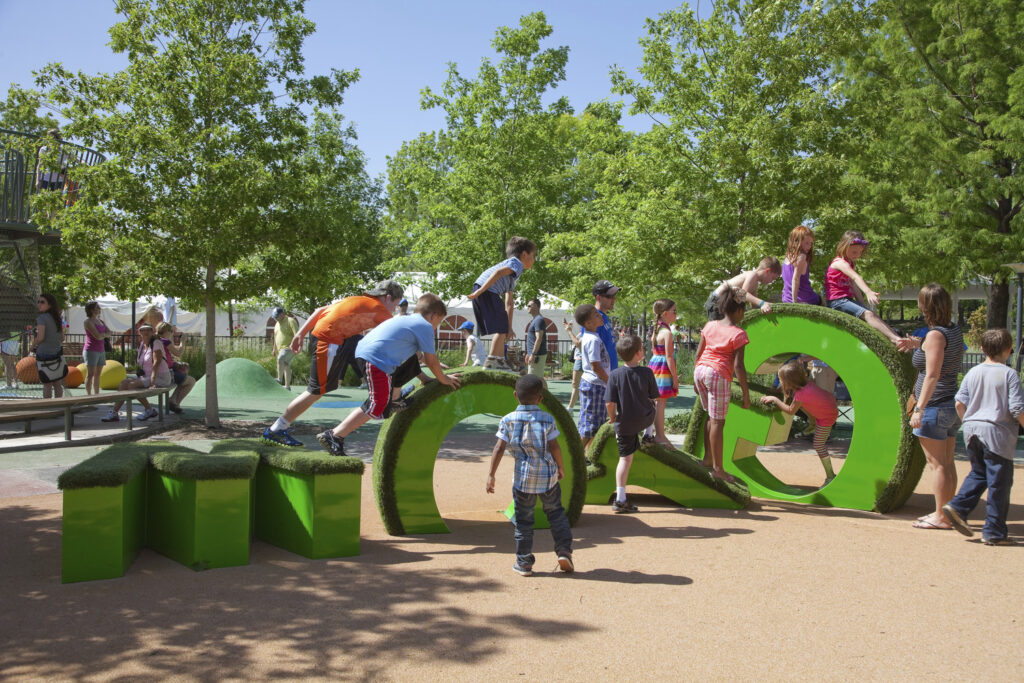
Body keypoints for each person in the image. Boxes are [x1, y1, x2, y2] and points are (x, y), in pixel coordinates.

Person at [262, 280, 404, 447]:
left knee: (325, 386)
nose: (395, 309)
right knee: (315, 391)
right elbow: (400, 336)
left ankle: (393, 393)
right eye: (396, 303)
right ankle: (276, 430)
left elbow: (319, 310)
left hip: (331, 338)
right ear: (388, 298)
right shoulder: (380, 310)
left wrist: (300, 334)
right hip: (328, 340)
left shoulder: (357, 300)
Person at [317, 294, 462, 456]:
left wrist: (427, 378)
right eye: (439, 322)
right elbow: (431, 359)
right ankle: (335, 435)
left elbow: (418, 357)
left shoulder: (407, 320)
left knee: (410, 357)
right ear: (433, 316)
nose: (436, 326)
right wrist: (444, 379)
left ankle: (394, 400)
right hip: (375, 359)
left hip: (368, 353)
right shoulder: (425, 325)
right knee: (377, 405)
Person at [486, 373, 573, 576]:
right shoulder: (547, 419)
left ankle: (524, 563)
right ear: (541, 398)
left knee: (524, 521)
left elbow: (499, 447)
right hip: (548, 477)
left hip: (523, 480)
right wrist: (560, 467)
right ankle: (564, 551)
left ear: (515, 395)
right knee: (556, 514)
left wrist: (491, 474)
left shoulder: (508, 420)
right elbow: (555, 446)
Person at [942, 329, 1024, 545]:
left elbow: (960, 402)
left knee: (979, 473)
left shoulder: (974, 372)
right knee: (1000, 482)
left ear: (984, 349)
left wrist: (967, 420)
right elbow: (1016, 408)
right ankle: (994, 531)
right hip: (997, 433)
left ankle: (958, 506)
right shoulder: (1009, 374)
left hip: (972, 429)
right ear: (1009, 350)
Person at [910, 283, 964, 530]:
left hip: (934, 407)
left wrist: (919, 408)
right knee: (947, 462)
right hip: (949, 406)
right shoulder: (952, 331)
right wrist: (916, 345)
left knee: (937, 464)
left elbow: (932, 375)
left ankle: (940, 516)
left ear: (925, 306)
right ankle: (948, 512)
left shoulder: (935, 336)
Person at [694, 287, 751, 482]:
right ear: (739, 311)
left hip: (700, 371)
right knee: (719, 422)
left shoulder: (710, 325)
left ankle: (707, 460)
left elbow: (699, 353)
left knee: (712, 418)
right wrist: (745, 393)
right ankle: (718, 469)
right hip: (717, 374)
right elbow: (739, 366)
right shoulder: (739, 334)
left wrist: (696, 377)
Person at [825, 231, 917, 351]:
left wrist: (863, 305)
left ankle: (895, 336)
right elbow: (856, 278)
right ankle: (895, 339)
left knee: (870, 314)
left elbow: (854, 286)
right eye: (854, 252)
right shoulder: (840, 263)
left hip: (845, 300)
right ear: (845, 246)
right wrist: (868, 291)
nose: (857, 255)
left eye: (860, 253)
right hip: (837, 301)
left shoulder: (850, 264)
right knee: (868, 314)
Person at [760, 360, 838, 486]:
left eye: (781, 380)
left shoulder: (800, 395)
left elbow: (790, 411)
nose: (780, 382)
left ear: (790, 382)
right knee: (801, 406)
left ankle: (830, 476)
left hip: (826, 418)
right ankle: (812, 424)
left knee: (818, 445)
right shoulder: (808, 384)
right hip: (830, 407)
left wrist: (774, 399)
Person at [606, 334, 659, 513]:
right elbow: (654, 397)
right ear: (638, 354)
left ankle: (621, 499)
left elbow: (609, 403)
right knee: (654, 405)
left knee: (625, 459)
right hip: (645, 419)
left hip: (625, 424)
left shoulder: (615, 375)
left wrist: (613, 418)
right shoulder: (647, 372)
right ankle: (649, 434)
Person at [467, 236, 537, 371]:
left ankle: (499, 361)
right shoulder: (516, 263)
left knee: (502, 327)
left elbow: (509, 303)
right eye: (533, 256)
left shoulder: (512, 276)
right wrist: (480, 291)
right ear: (524, 254)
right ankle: (491, 362)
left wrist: (509, 328)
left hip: (486, 291)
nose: (534, 260)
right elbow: (498, 272)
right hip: (486, 291)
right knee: (500, 327)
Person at [101, 325, 171, 421]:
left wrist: (152, 381)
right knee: (123, 383)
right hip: (147, 376)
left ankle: (149, 410)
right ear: (139, 332)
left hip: (160, 377)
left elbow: (157, 363)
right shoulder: (142, 345)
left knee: (132, 386)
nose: (145, 332)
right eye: (143, 330)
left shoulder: (156, 343)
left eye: (148, 330)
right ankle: (114, 412)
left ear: (152, 331)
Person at [575, 303, 611, 454]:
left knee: (595, 424)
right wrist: (609, 382)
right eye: (596, 315)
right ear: (588, 323)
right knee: (591, 424)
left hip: (596, 385)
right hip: (595, 385)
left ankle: (588, 455)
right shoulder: (593, 340)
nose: (600, 316)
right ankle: (575, 456)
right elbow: (595, 365)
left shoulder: (591, 337)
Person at [704, 258, 781, 321]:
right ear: (767, 271)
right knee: (720, 333)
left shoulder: (755, 284)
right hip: (717, 302)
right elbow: (741, 295)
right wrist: (763, 303)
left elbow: (754, 305)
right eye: (772, 278)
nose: (771, 281)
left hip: (723, 304)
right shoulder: (752, 275)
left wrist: (764, 309)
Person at [648, 298, 679, 447]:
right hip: (662, 368)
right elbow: (669, 357)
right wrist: (675, 378)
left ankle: (655, 433)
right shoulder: (667, 332)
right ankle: (660, 435)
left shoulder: (657, 330)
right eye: (674, 312)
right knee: (660, 402)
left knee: (656, 402)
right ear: (665, 313)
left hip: (654, 365)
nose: (676, 315)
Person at [155, 322, 195, 413]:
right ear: (167, 331)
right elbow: (178, 353)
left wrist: (174, 363)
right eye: (171, 332)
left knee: (184, 372)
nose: (172, 334)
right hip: (165, 373)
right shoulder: (164, 341)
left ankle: (173, 400)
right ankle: (175, 403)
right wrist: (182, 342)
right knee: (191, 381)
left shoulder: (155, 340)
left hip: (162, 370)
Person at [33, 293, 67, 399]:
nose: (39, 304)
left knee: (47, 383)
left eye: (42, 302)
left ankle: (48, 407)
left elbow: (40, 337)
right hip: (57, 353)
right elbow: (62, 338)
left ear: (50, 305)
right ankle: (59, 406)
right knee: (57, 383)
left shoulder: (42, 318)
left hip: (44, 354)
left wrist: (32, 346)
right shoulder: (57, 318)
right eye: (38, 302)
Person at [782, 225, 822, 305]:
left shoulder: (787, 258)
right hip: (804, 298)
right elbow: (795, 279)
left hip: (786, 298)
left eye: (811, 243)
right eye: (806, 243)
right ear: (796, 241)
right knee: (820, 300)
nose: (809, 246)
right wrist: (794, 301)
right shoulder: (802, 257)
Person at [591, 280, 620, 371]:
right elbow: (592, 357)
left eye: (614, 296)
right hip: (601, 380)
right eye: (609, 296)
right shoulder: (593, 318)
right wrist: (607, 380)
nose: (613, 299)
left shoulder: (603, 317)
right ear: (599, 298)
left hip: (609, 375)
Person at [82, 301, 110, 396]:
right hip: (91, 350)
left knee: (98, 374)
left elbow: (109, 332)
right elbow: (97, 336)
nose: (99, 309)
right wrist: (103, 335)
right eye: (97, 307)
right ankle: (89, 395)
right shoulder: (88, 322)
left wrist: (103, 335)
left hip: (101, 350)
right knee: (90, 374)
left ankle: (97, 395)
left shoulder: (100, 321)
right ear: (92, 310)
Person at [271, 307, 300, 390]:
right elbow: (276, 338)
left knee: (281, 358)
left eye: (277, 317)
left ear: (282, 314)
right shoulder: (277, 324)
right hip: (281, 349)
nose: (276, 319)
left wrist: (297, 345)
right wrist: (274, 349)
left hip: (290, 347)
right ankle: (287, 386)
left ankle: (279, 379)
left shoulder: (290, 321)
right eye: (274, 317)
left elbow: (297, 334)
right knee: (286, 365)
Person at [561, 319, 583, 410]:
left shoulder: (587, 332)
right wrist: (569, 329)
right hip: (579, 359)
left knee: (576, 384)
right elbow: (576, 340)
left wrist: (569, 331)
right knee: (576, 384)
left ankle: (570, 408)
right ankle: (572, 407)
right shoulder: (583, 332)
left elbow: (578, 344)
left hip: (581, 359)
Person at [524, 298, 548, 381]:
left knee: (534, 379)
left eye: (529, 305)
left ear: (536, 307)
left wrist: (533, 354)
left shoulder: (539, 320)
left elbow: (539, 338)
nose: (527, 307)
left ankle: (545, 394)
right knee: (539, 379)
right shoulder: (535, 320)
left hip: (537, 355)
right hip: (534, 354)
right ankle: (547, 394)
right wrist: (528, 353)